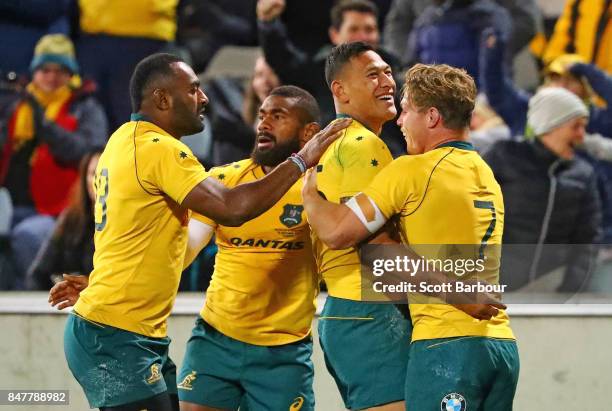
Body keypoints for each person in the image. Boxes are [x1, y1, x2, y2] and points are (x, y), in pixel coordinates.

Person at [57, 53, 349, 411]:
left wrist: (101, 283)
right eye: (193, 89)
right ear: (163, 99)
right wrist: (303, 158)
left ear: (308, 130)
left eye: (278, 115)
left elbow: (159, 247)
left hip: (267, 348)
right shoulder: (177, 158)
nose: (204, 97)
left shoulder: (123, 139)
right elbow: (231, 209)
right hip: (156, 338)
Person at [302, 63, 519, 410]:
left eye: (406, 112)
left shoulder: (411, 170)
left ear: (431, 116)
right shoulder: (486, 174)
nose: (400, 123)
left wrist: (310, 195)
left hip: (445, 348)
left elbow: (338, 232)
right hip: (501, 347)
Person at [178, 85, 320, 411]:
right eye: (261, 115)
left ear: (308, 132)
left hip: (283, 352)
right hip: (215, 339)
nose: (263, 124)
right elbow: (184, 251)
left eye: (278, 116)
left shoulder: (319, 189)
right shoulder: (225, 180)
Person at [312, 41, 411, 411]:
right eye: (372, 74)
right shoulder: (361, 145)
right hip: (370, 309)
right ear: (340, 90)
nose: (387, 81)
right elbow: (373, 245)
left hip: (348, 310)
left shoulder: (337, 141)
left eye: (387, 72)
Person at [0, 34, 107, 288]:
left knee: (28, 236)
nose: (51, 77)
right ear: (34, 72)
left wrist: (44, 124)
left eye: (60, 71)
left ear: (71, 75)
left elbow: (85, 153)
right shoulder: (16, 105)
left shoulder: (85, 107)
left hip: (57, 210)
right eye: (45, 70)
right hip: (9, 202)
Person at [483, 87, 601, 292]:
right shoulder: (504, 156)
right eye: (576, 126)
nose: (582, 136)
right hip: (491, 290)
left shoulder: (583, 174)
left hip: (549, 294)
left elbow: (587, 240)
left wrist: (570, 291)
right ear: (551, 125)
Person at [257, 0, 406, 156]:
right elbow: (283, 61)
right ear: (334, 34)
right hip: (332, 157)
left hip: (389, 157)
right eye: (354, 29)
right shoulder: (319, 70)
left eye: (369, 29)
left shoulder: (396, 72)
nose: (363, 37)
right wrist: (269, 23)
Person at [27, 150, 101, 290]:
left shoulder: (129, 221)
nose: (98, 181)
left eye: (104, 174)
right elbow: (38, 273)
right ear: (84, 179)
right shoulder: (71, 218)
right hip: (70, 306)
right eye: (93, 174)